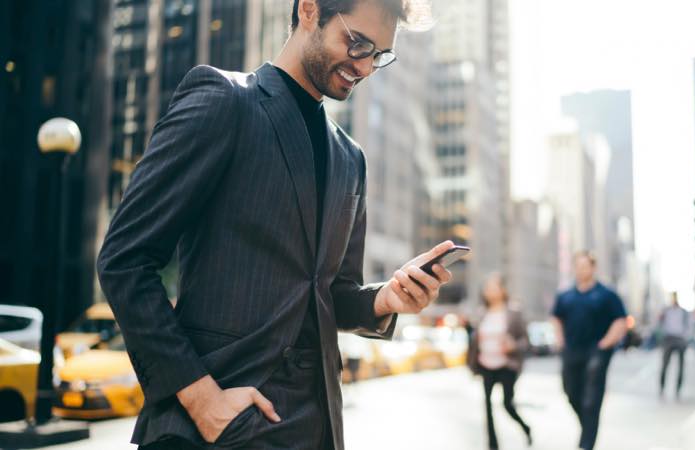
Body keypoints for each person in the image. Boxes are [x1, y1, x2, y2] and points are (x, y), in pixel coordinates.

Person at [96, 1, 453, 449]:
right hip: (214, 427)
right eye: (357, 43)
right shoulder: (223, 100)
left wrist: (387, 299)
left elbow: (329, 295)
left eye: (378, 54)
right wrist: (201, 397)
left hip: (316, 428)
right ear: (309, 11)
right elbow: (124, 260)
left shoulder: (351, 158)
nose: (364, 67)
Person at [551, 251, 628, 450]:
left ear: (593, 268)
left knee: (591, 400)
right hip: (572, 350)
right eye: (578, 265)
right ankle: (588, 427)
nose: (581, 269)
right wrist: (560, 340)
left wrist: (605, 343)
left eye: (585, 266)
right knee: (570, 392)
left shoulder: (607, 294)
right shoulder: (565, 295)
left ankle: (586, 445)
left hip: (597, 350)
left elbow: (621, 320)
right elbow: (556, 317)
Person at [468, 273, 532, 450]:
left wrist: (513, 345)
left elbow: (525, 341)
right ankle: (493, 445)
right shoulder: (482, 313)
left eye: (493, 287)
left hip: (507, 365)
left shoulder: (513, 311)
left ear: (502, 290)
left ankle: (526, 428)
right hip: (485, 364)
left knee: (507, 404)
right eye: (487, 288)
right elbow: (474, 341)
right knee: (487, 406)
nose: (489, 291)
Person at [658, 292, 693, 399]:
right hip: (668, 338)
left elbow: (689, 326)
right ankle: (662, 388)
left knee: (681, 366)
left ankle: (678, 390)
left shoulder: (684, 312)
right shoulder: (666, 311)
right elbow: (660, 324)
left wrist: (685, 337)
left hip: (680, 339)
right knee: (664, 365)